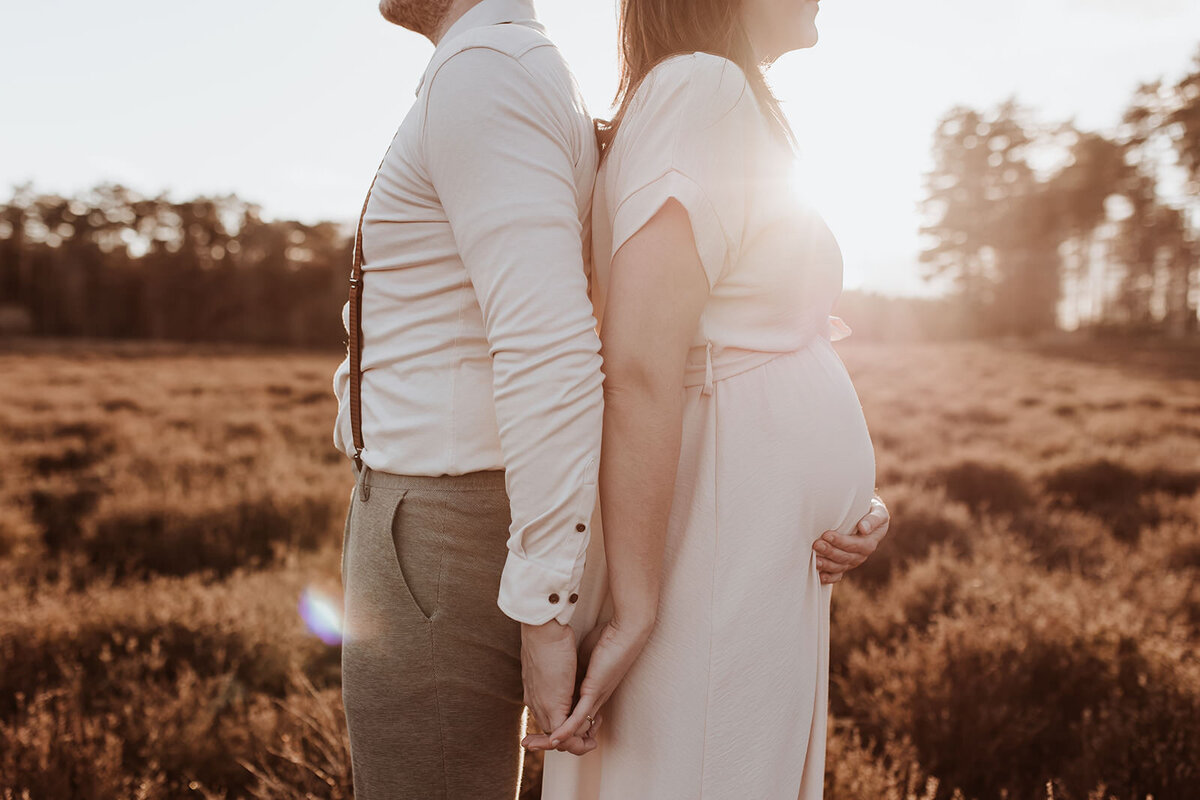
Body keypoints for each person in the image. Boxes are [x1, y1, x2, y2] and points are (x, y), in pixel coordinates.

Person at [528, 0, 890, 797]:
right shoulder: (702, 88)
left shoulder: (715, 97)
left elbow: (759, 342)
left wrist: (857, 499)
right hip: (712, 550)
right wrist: (636, 610)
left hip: (750, 547)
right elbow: (642, 364)